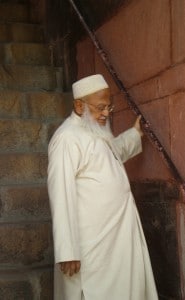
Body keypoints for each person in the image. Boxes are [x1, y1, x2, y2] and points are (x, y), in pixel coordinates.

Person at [47, 74, 158, 300]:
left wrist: (135, 134)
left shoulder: (93, 129)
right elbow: (60, 194)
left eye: (109, 106)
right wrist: (67, 250)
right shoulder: (67, 138)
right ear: (79, 105)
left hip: (114, 239)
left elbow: (110, 155)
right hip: (91, 246)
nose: (106, 113)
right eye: (100, 107)